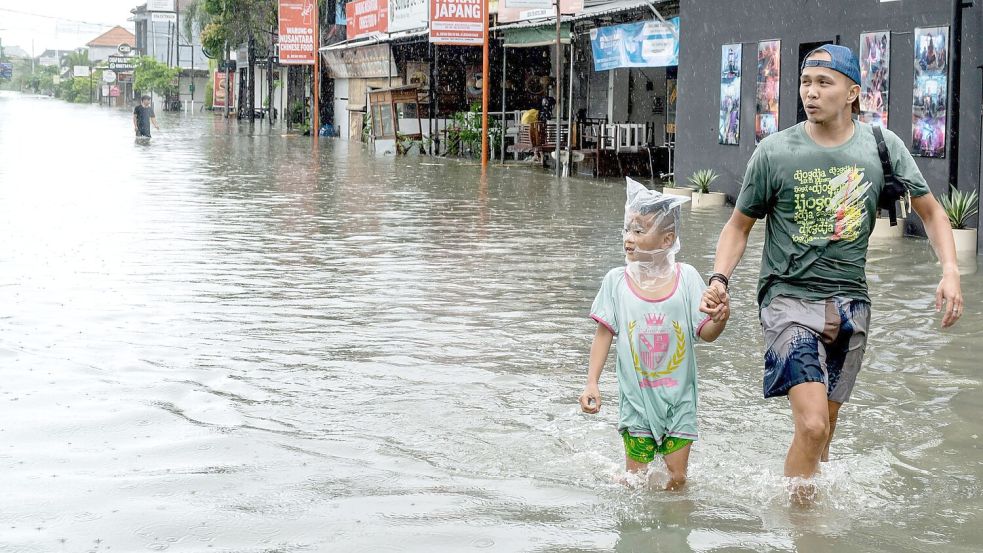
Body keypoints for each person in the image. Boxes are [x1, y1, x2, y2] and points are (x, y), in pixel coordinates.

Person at [699, 44, 963, 501]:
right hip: (787, 300)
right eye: (805, 82)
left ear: (853, 93)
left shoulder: (882, 147)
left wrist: (951, 271)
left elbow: (932, 212)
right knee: (814, 423)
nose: (811, 93)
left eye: (825, 83)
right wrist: (719, 279)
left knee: (824, 434)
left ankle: (807, 516)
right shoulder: (775, 152)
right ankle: (801, 530)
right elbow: (738, 225)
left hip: (851, 304)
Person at [579, 178, 730, 490]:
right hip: (636, 402)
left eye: (639, 230)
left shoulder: (687, 278)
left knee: (677, 480)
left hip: (680, 401)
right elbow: (604, 334)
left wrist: (720, 318)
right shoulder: (615, 281)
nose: (628, 238)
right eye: (627, 228)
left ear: (667, 239)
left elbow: (706, 332)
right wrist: (592, 382)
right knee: (635, 483)